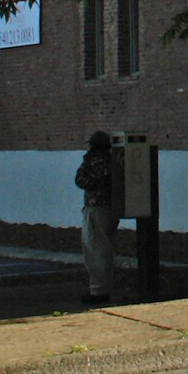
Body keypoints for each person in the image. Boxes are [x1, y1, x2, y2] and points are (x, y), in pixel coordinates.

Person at [75, 130, 116, 305]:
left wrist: (85, 162)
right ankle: (103, 288)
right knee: (104, 249)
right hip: (110, 208)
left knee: (95, 250)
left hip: (96, 208)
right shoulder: (113, 160)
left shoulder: (96, 161)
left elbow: (81, 181)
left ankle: (99, 291)